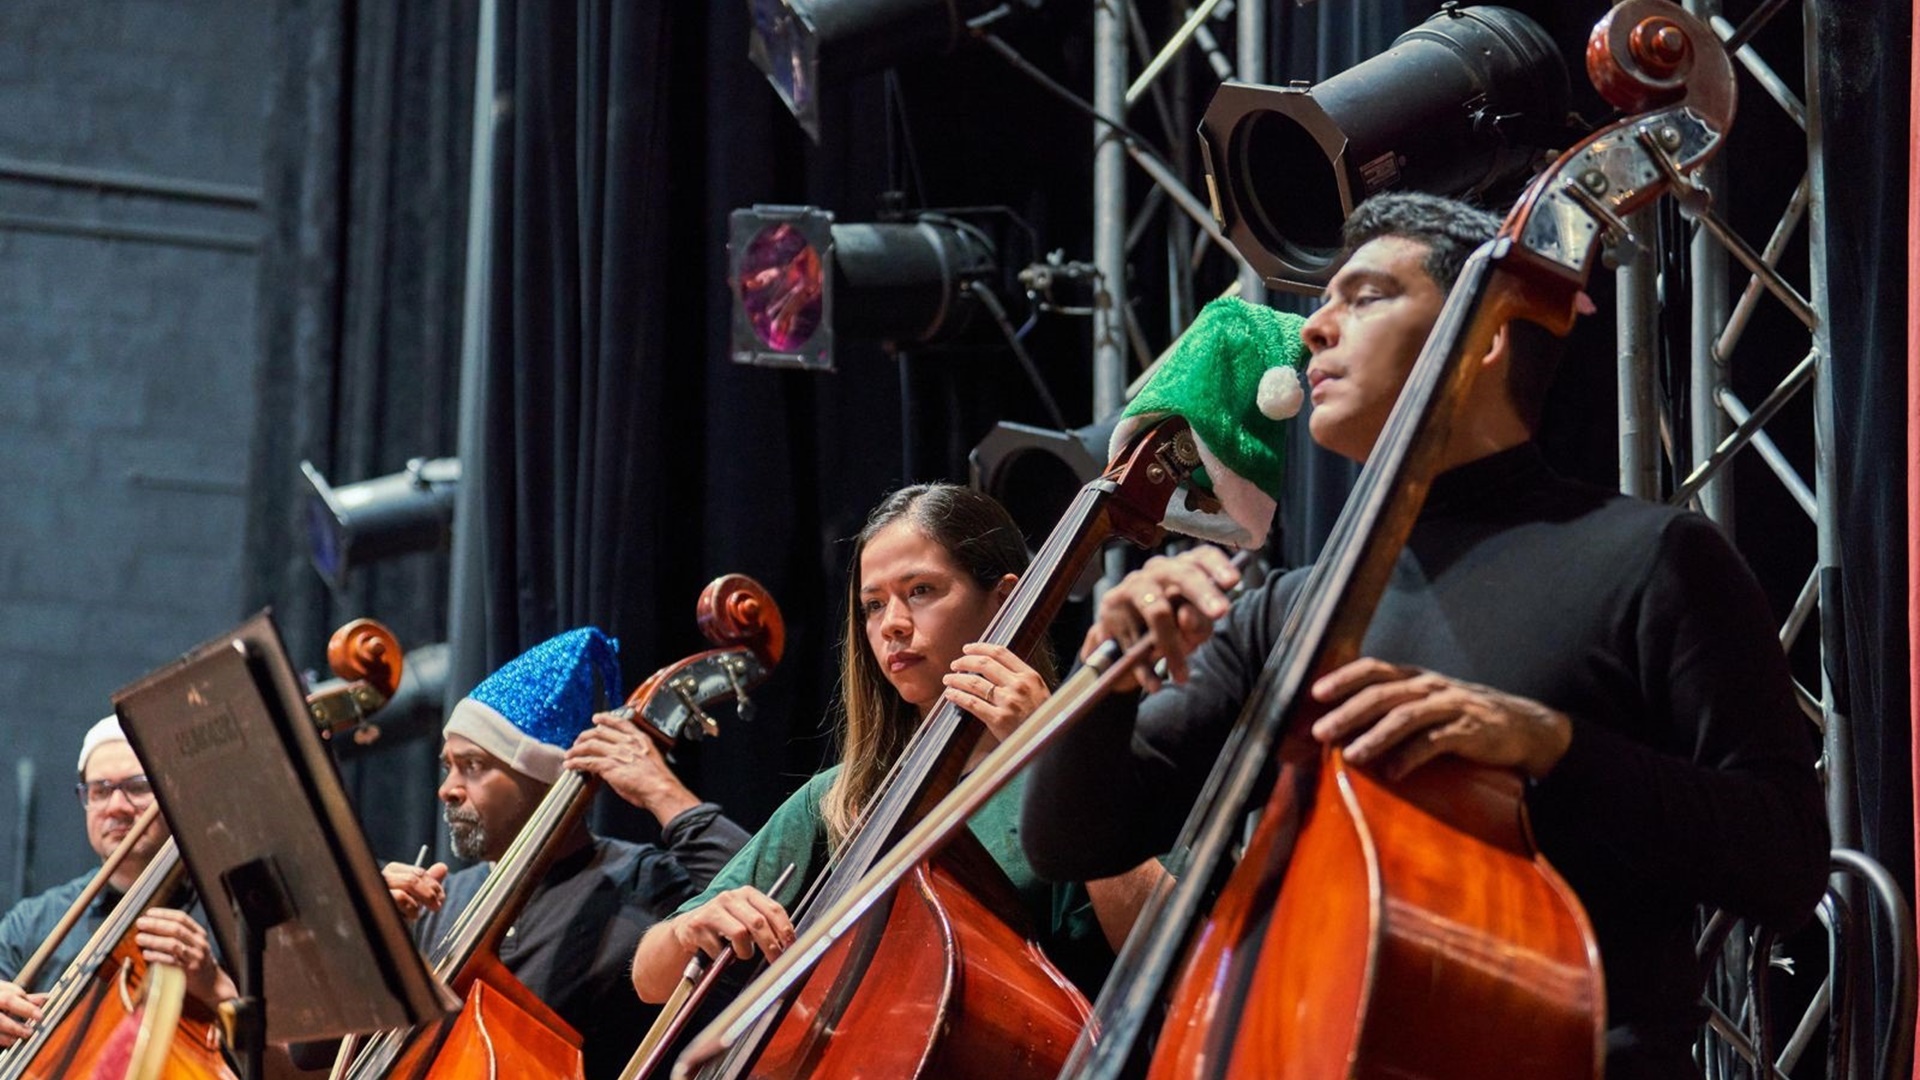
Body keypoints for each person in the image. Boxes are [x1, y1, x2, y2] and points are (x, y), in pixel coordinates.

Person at [1020, 192, 1831, 1079]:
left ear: (1483, 336)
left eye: (1364, 297)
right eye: (1321, 303)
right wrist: (1111, 678)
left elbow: (1786, 860)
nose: (1311, 332)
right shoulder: (1290, 612)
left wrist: (1552, 746)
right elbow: (1072, 843)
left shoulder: (1652, 560)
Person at [630, 483, 1162, 1009]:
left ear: (1004, 601)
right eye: (873, 605)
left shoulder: (1105, 758)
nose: (893, 626)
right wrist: (691, 929)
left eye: (921, 591)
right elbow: (650, 979)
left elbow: (1165, 945)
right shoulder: (843, 797)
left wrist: (1057, 756)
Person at [381, 627, 751, 1080]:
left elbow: (768, 897)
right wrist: (367, 941)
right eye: (448, 767)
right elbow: (310, 1054)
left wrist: (663, 793)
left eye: (472, 766)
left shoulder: (637, 881)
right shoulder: (440, 903)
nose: (446, 790)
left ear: (544, 777)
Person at [0, 716, 235, 1049]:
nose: (116, 806)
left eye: (138, 787)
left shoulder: (234, 913)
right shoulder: (34, 923)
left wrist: (216, 988)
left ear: (172, 791)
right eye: (100, 791)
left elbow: (301, 1070)